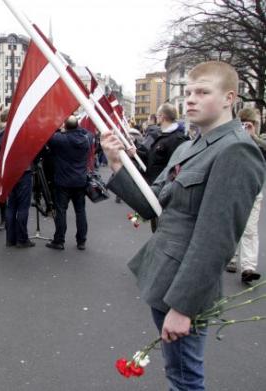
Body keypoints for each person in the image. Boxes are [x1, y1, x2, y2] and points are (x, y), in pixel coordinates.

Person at [102, 61, 265, 390]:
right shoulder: (191, 146)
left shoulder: (237, 151)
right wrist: (116, 163)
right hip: (164, 276)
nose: (190, 99)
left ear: (228, 98)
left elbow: (216, 240)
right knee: (177, 372)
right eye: (188, 92)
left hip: (183, 290)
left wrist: (184, 306)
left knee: (185, 379)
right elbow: (154, 205)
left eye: (202, 92)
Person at [134, 103, 189, 232]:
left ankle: (137, 219)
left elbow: (177, 168)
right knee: (155, 226)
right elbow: (151, 158)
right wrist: (135, 153)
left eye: (158, 115)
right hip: (154, 187)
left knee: (160, 229)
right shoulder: (162, 136)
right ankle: (137, 219)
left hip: (164, 192)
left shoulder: (177, 139)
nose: (156, 118)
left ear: (162, 117)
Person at [226, 107, 264, 283]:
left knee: (250, 230)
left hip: (254, 191)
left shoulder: (260, 141)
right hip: (233, 188)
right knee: (233, 225)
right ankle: (232, 257)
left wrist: (254, 137)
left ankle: (248, 266)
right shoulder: (232, 137)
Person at [46, 115, 92, 251]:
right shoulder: (86, 139)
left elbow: (49, 136)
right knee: (80, 211)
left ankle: (59, 241)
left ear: (65, 125)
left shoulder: (59, 139)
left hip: (63, 182)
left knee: (61, 212)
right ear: (77, 125)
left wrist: (61, 128)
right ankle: (81, 241)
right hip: (80, 181)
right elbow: (88, 132)